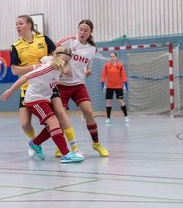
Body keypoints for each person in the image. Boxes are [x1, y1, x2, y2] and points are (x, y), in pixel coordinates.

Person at [10, 15, 83, 158]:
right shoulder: (16, 47)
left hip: (48, 85)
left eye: (21, 23)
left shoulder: (43, 39)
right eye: (16, 24)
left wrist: (64, 67)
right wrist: (35, 67)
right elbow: (14, 70)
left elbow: (58, 55)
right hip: (29, 87)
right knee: (25, 124)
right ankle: (34, 142)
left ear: (29, 25)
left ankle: (74, 149)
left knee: (60, 115)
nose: (17, 26)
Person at [1, 46, 83, 163]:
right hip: (35, 100)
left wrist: (63, 68)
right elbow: (25, 77)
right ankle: (66, 154)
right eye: (63, 60)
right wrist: (10, 91)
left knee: (54, 126)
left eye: (67, 61)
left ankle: (34, 143)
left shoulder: (54, 63)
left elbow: (44, 58)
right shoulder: (46, 68)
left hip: (44, 98)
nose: (64, 63)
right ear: (57, 58)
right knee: (54, 123)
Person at [56, 19, 109, 157]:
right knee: (61, 115)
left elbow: (88, 66)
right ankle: (60, 145)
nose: (82, 32)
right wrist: (63, 67)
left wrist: (88, 71)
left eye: (86, 30)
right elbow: (53, 55)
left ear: (90, 32)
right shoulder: (69, 42)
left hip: (78, 84)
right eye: (80, 29)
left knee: (89, 111)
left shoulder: (92, 49)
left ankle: (96, 143)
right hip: (61, 84)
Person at [101, 52, 129, 123]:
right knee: (109, 102)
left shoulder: (120, 65)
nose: (112, 58)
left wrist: (125, 84)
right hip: (109, 87)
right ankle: (108, 118)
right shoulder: (106, 65)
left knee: (121, 102)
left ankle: (126, 116)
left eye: (113, 56)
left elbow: (123, 75)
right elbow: (103, 75)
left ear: (116, 57)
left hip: (118, 87)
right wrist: (102, 83)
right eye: (111, 56)